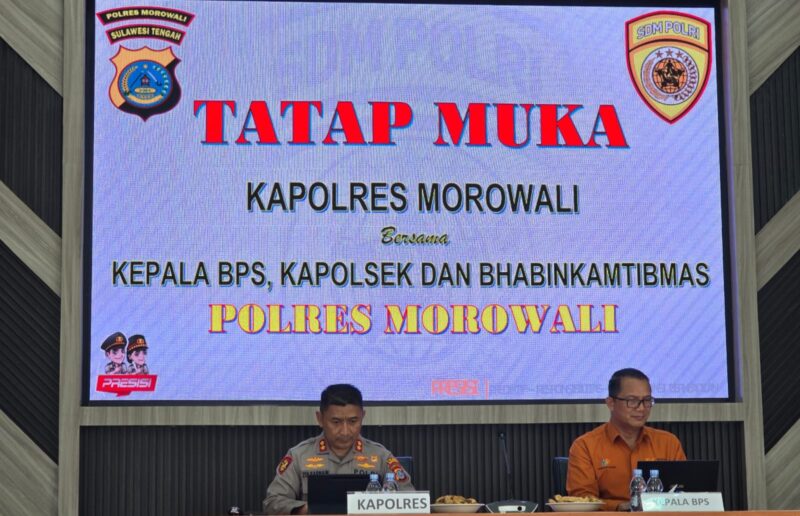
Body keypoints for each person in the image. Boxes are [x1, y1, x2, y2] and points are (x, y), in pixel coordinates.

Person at [264, 384, 414, 514]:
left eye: (353, 421)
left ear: (362, 416)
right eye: (336, 422)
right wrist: (311, 510)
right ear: (320, 419)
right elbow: (272, 502)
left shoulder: (381, 456)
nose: (345, 431)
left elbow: (411, 500)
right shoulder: (299, 455)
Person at [566, 368, 686, 511]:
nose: (641, 408)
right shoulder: (585, 446)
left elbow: (683, 494)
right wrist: (619, 507)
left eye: (647, 400)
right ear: (611, 403)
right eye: (632, 401)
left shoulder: (668, 443)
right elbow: (583, 500)